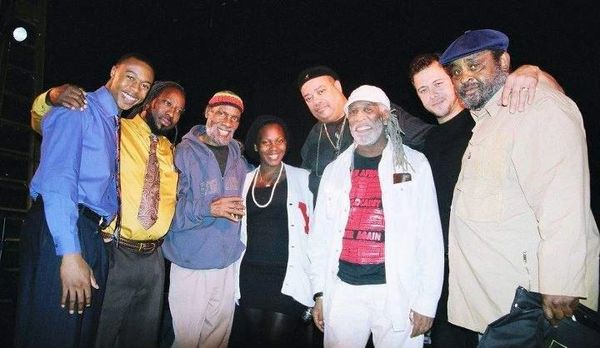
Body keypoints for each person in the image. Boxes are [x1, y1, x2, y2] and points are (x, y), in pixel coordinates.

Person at [438, 29, 600, 334]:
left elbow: (562, 198)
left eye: (475, 65)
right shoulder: (487, 123)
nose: (465, 78)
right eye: (456, 71)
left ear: (504, 61)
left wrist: (561, 279)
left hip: (536, 304)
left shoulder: (536, 107)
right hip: (503, 305)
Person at [407, 53, 565, 347]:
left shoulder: (485, 121)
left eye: (438, 82)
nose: (433, 94)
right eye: (423, 89)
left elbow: (548, 96)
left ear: (454, 80)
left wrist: (533, 71)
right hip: (444, 277)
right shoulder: (427, 142)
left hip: (493, 276)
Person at [29, 81, 186, 347]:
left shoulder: (172, 152)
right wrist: (51, 97)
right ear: (149, 101)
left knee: (142, 338)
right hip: (116, 251)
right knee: (100, 333)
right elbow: (41, 122)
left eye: (180, 110)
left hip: (154, 261)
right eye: (167, 103)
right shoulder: (115, 129)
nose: (172, 113)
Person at [16, 53, 155, 348]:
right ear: (114, 70)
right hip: (65, 230)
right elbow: (59, 180)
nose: (136, 89)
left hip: (90, 233)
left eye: (145, 85)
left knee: (78, 336)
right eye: (130, 77)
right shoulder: (78, 107)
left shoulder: (111, 122)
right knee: (54, 334)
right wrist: (69, 253)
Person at [309, 85, 444, 347]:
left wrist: (427, 301)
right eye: (354, 112)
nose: (360, 118)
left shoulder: (414, 165)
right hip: (343, 290)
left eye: (368, 110)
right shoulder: (334, 170)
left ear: (384, 116)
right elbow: (320, 237)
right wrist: (320, 293)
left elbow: (430, 237)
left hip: (397, 292)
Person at [162, 90, 248, 348]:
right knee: (187, 341)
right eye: (221, 112)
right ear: (208, 112)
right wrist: (207, 208)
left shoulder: (238, 158)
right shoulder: (180, 154)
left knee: (217, 342)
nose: (227, 122)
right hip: (190, 264)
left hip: (227, 264)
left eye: (234, 118)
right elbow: (166, 211)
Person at [229, 115, 314, 347]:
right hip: (250, 277)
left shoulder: (304, 179)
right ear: (256, 146)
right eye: (266, 142)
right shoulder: (243, 181)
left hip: (288, 277)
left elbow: (317, 232)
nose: (274, 148)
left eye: (279, 141)